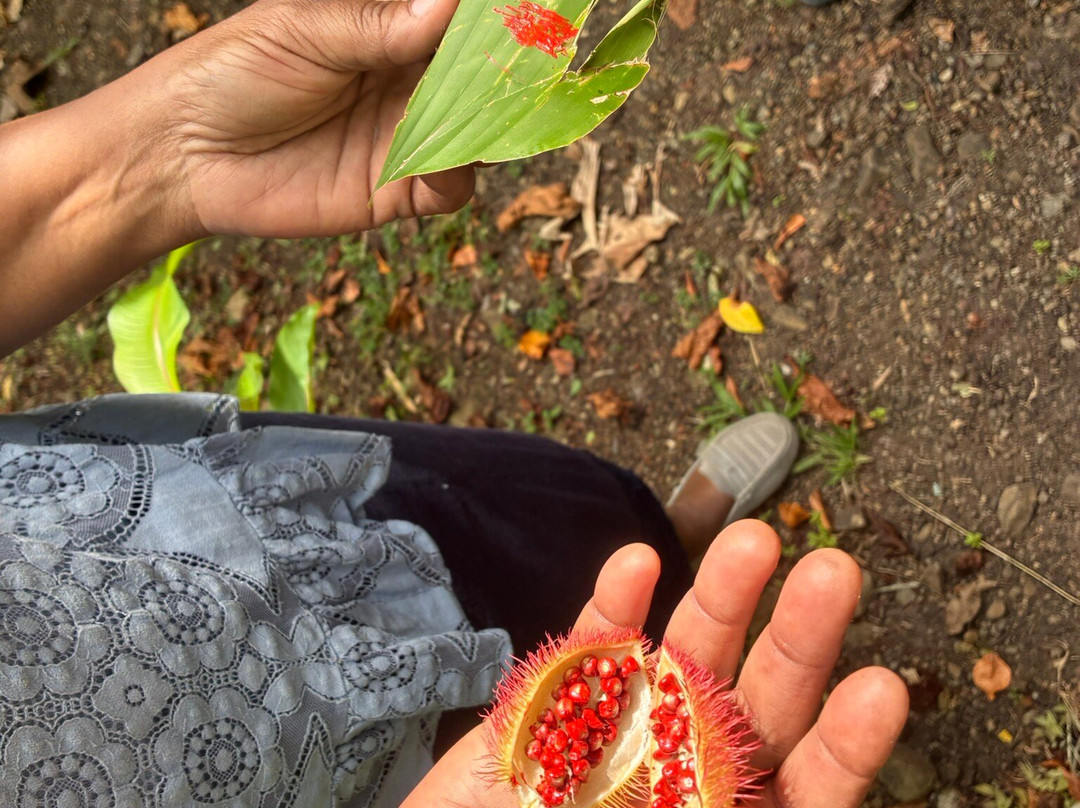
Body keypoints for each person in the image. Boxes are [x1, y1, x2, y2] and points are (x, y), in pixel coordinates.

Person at [0, 0, 908, 807]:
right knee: (586, 588)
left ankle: (664, 533)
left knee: (557, 527)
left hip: (225, 522)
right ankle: (663, 553)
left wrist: (158, 152)